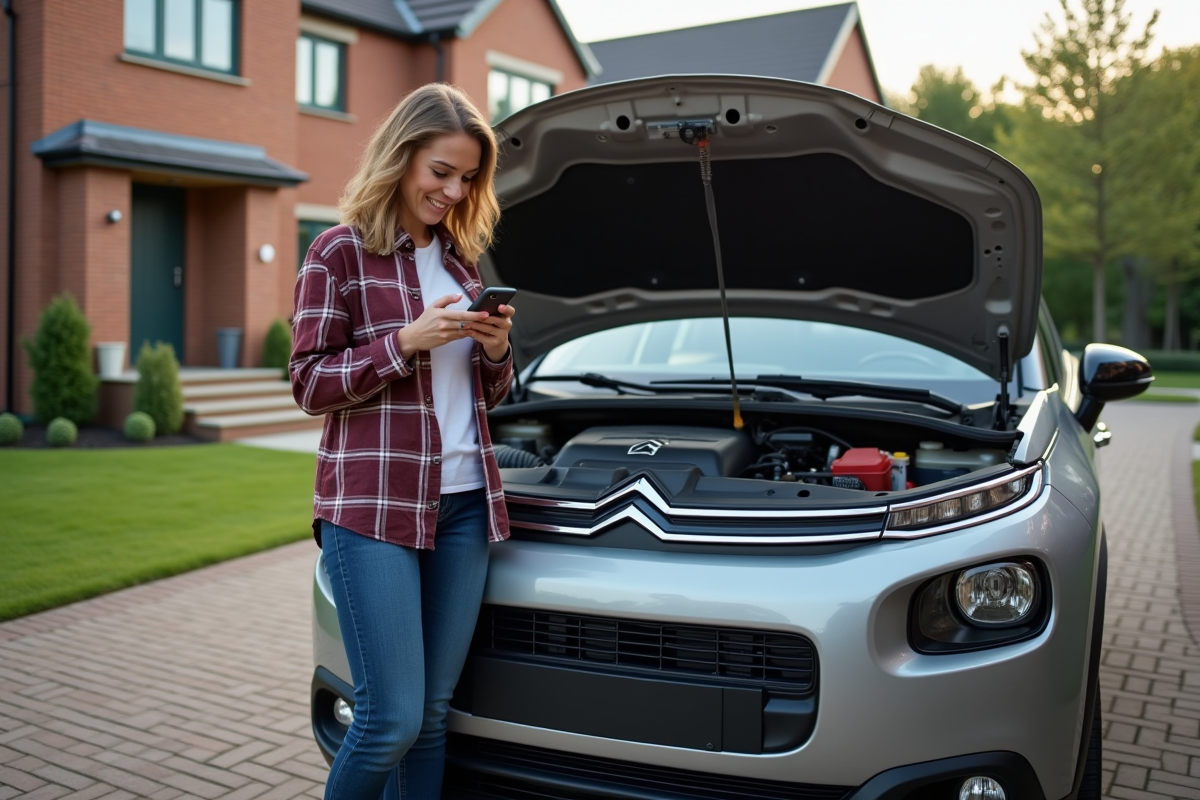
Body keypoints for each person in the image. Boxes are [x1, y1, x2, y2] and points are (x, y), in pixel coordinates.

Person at [289, 83, 515, 800]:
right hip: (373, 508)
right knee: (389, 719)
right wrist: (404, 343)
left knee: (434, 717)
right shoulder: (337, 253)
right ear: (401, 155)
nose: (454, 190)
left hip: (464, 508)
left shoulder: (460, 265)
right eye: (441, 171)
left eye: (468, 177)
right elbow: (307, 384)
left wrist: (496, 351)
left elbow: (487, 399)